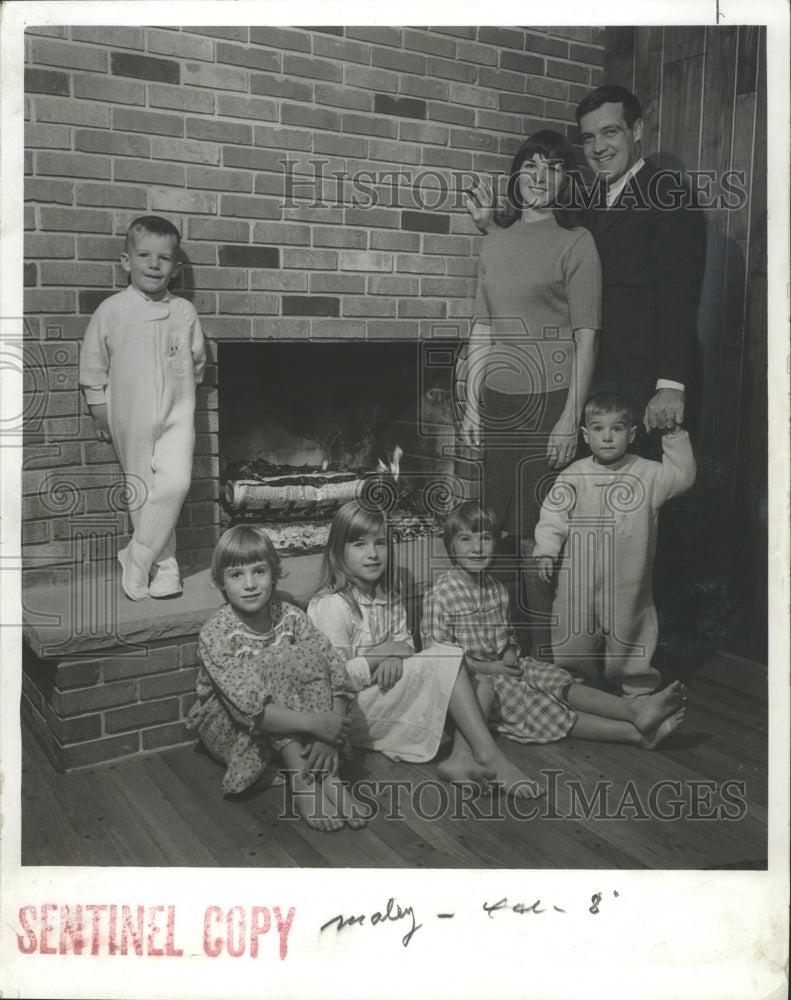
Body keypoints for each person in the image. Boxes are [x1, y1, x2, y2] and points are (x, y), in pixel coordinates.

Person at [465, 85, 706, 444]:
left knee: (637, 495)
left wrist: (670, 384)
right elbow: (548, 256)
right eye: (589, 138)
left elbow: (679, 298)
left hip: (644, 385)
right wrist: (493, 228)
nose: (598, 147)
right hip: (587, 379)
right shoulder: (587, 199)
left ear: (636, 130)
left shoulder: (667, 194)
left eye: (610, 132)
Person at [308, 499, 542, 796]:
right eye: (359, 544)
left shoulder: (388, 597)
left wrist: (396, 652)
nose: (372, 554)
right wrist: (383, 654)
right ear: (337, 552)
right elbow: (334, 681)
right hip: (352, 714)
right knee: (447, 654)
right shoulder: (333, 606)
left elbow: (406, 643)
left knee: (481, 680)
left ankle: (460, 758)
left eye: (380, 543)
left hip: (384, 692)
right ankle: (491, 754)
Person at [422, 500, 686, 749]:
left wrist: (510, 650)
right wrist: (491, 667)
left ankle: (634, 710)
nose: (477, 548)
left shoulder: (496, 589)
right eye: (466, 539)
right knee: (541, 706)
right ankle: (636, 735)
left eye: (486, 539)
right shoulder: (441, 593)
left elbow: (506, 634)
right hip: (475, 684)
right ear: (451, 547)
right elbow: (441, 660)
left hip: (506, 667)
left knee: (557, 678)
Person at [458, 129, 601, 546]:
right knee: (493, 531)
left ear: (565, 182)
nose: (540, 176)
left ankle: (542, 615)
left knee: (539, 538)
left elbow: (587, 340)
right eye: (531, 165)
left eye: (553, 168)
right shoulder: (494, 243)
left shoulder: (577, 243)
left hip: (550, 404)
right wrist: (472, 406)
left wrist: (568, 421)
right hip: (499, 404)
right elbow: (482, 330)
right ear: (516, 175)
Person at [186, 525, 365, 832]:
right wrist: (314, 725)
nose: (250, 584)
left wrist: (329, 732)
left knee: (308, 654)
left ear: (274, 574)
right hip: (231, 726)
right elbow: (248, 708)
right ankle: (304, 778)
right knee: (276, 658)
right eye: (236, 575)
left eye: (259, 571)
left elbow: (334, 668)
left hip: (300, 725)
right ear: (222, 583)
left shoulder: (290, 615)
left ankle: (327, 773)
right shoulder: (216, 632)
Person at [533, 393, 697, 696]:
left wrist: (674, 435)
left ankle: (636, 687)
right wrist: (545, 550)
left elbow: (682, 477)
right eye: (598, 429)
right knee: (573, 633)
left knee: (630, 631)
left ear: (631, 434)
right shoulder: (573, 475)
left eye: (617, 429)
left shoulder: (648, 474)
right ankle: (576, 685)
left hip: (628, 578)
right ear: (585, 435)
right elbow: (553, 515)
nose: (607, 437)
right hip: (577, 579)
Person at [79, 215, 206, 601]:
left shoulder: (184, 312)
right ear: (125, 261)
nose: (154, 264)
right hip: (129, 415)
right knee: (143, 490)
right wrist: (99, 405)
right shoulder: (113, 310)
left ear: (175, 268)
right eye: (144, 255)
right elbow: (93, 361)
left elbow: (196, 362)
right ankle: (165, 567)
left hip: (177, 414)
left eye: (164, 258)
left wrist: (181, 391)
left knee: (176, 483)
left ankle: (135, 556)